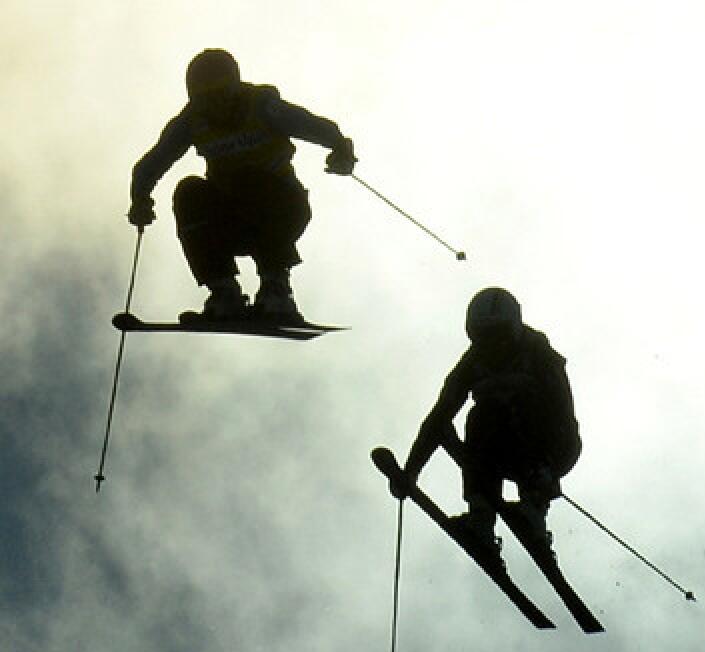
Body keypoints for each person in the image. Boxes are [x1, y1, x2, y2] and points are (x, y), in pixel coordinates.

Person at [127, 48, 356, 324]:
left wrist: (340, 147)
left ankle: (276, 286)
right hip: (233, 220)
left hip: (281, 209)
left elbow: (306, 123)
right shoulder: (192, 121)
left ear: (235, 87)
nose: (215, 104)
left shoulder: (260, 106)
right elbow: (153, 161)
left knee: (245, 178)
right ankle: (224, 291)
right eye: (205, 98)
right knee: (189, 191)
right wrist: (140, 199)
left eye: (222, 93)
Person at [395, 287, 582, 556]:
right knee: (480, 416)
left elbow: (563, 412)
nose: (493, 346)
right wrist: (411, 470)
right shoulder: (474, 362)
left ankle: (533, 509)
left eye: (499, 336)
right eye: (484, 338)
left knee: (517, 401)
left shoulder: (538, 353)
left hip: (550, 449)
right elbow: (440, 416)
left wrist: (547, 472)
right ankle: (481, 513)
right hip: (503, 452)